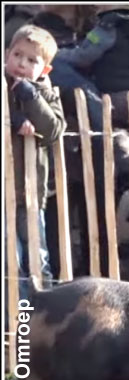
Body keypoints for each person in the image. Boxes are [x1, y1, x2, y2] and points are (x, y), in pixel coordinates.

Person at [5, 24, 65, 297]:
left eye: (32, 60)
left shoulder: (46, 94)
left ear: (45, 70)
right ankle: (11, 329)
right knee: (10, 261)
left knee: (38, 262)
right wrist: (11, 121)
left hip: (31, 195)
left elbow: (53, 130)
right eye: (17, 55)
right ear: (7, 54)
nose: (21, 63)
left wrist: (30, 96)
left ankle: (36, 328)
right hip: (4, 193)